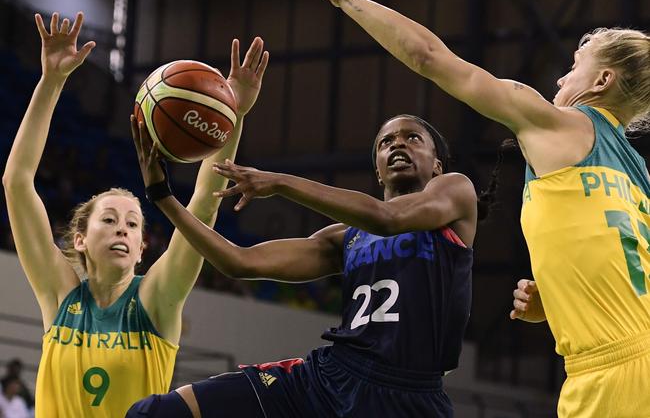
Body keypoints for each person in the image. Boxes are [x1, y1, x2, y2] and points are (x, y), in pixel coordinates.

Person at [298, 0, 650, 417]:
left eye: (572, 69)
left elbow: (430, 58)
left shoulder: (560, 123)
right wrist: (556, 298)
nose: (560, 81)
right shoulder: (637, 175)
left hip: (614, 374)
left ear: (601, 82)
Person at [126, 111, 488, 418]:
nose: (398, 144)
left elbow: (386, 218)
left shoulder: (455, 193)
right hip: (331, 380)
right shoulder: (346, 237)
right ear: (377, 171)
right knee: (158, 412)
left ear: (437, 165)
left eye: (413, 138)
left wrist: (280, 182)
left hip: (411, 398)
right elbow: (239, 261)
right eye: (386, 141)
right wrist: (162, 196)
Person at [1, 11, 268, 417]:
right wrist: (51, 81)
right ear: (80, 240)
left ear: (143, 248)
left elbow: (204, 203)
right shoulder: (60, 297)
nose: (122, 230)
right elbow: (17, 182)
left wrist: (234, 117)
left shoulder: (156, 299)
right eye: (108, 220)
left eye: (132, 224)